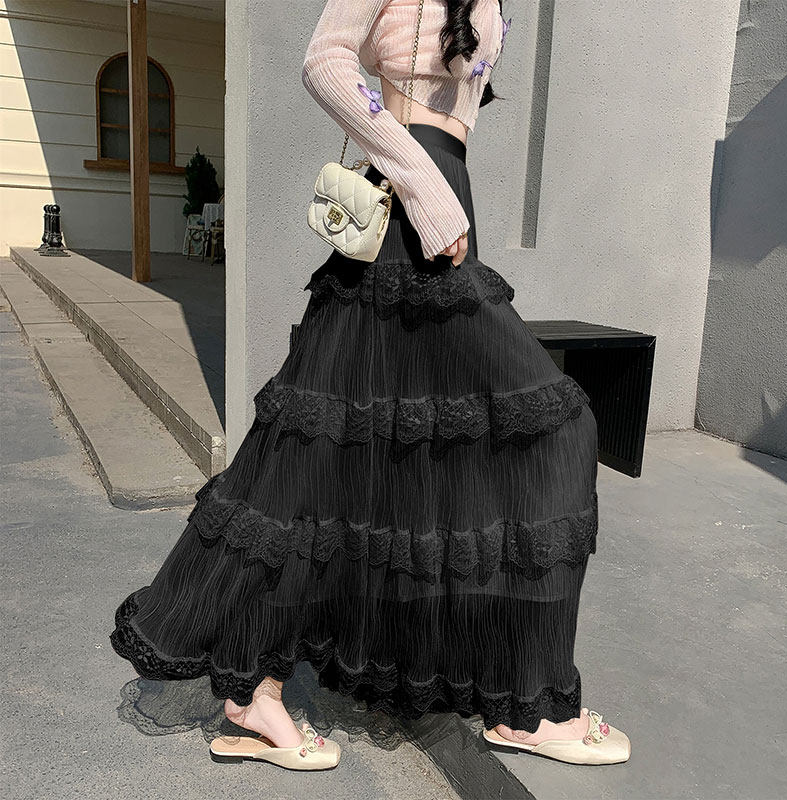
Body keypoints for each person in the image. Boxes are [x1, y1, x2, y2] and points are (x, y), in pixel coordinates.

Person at [110, 0, 631, 771]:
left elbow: (456, 110)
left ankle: (258, 690)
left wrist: (441, 194)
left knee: (344, 462)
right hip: (411, 212)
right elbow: (325, 62)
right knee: (555, 430)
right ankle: (528, 705)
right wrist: (424, 188)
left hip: (439, 211)